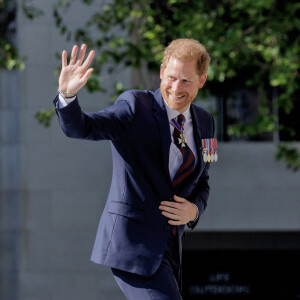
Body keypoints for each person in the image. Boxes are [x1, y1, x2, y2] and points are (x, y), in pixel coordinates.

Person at [54, 38, 215, 299]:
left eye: (186, 80)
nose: (176, 87)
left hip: (170, 248)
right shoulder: (134, 106)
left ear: (202, 80)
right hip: (132, 245)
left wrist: (194, 210)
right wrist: (68, 96)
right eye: (171, 77)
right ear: (162, 73)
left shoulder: (206, 122)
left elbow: (203, 182)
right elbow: (84, 128)